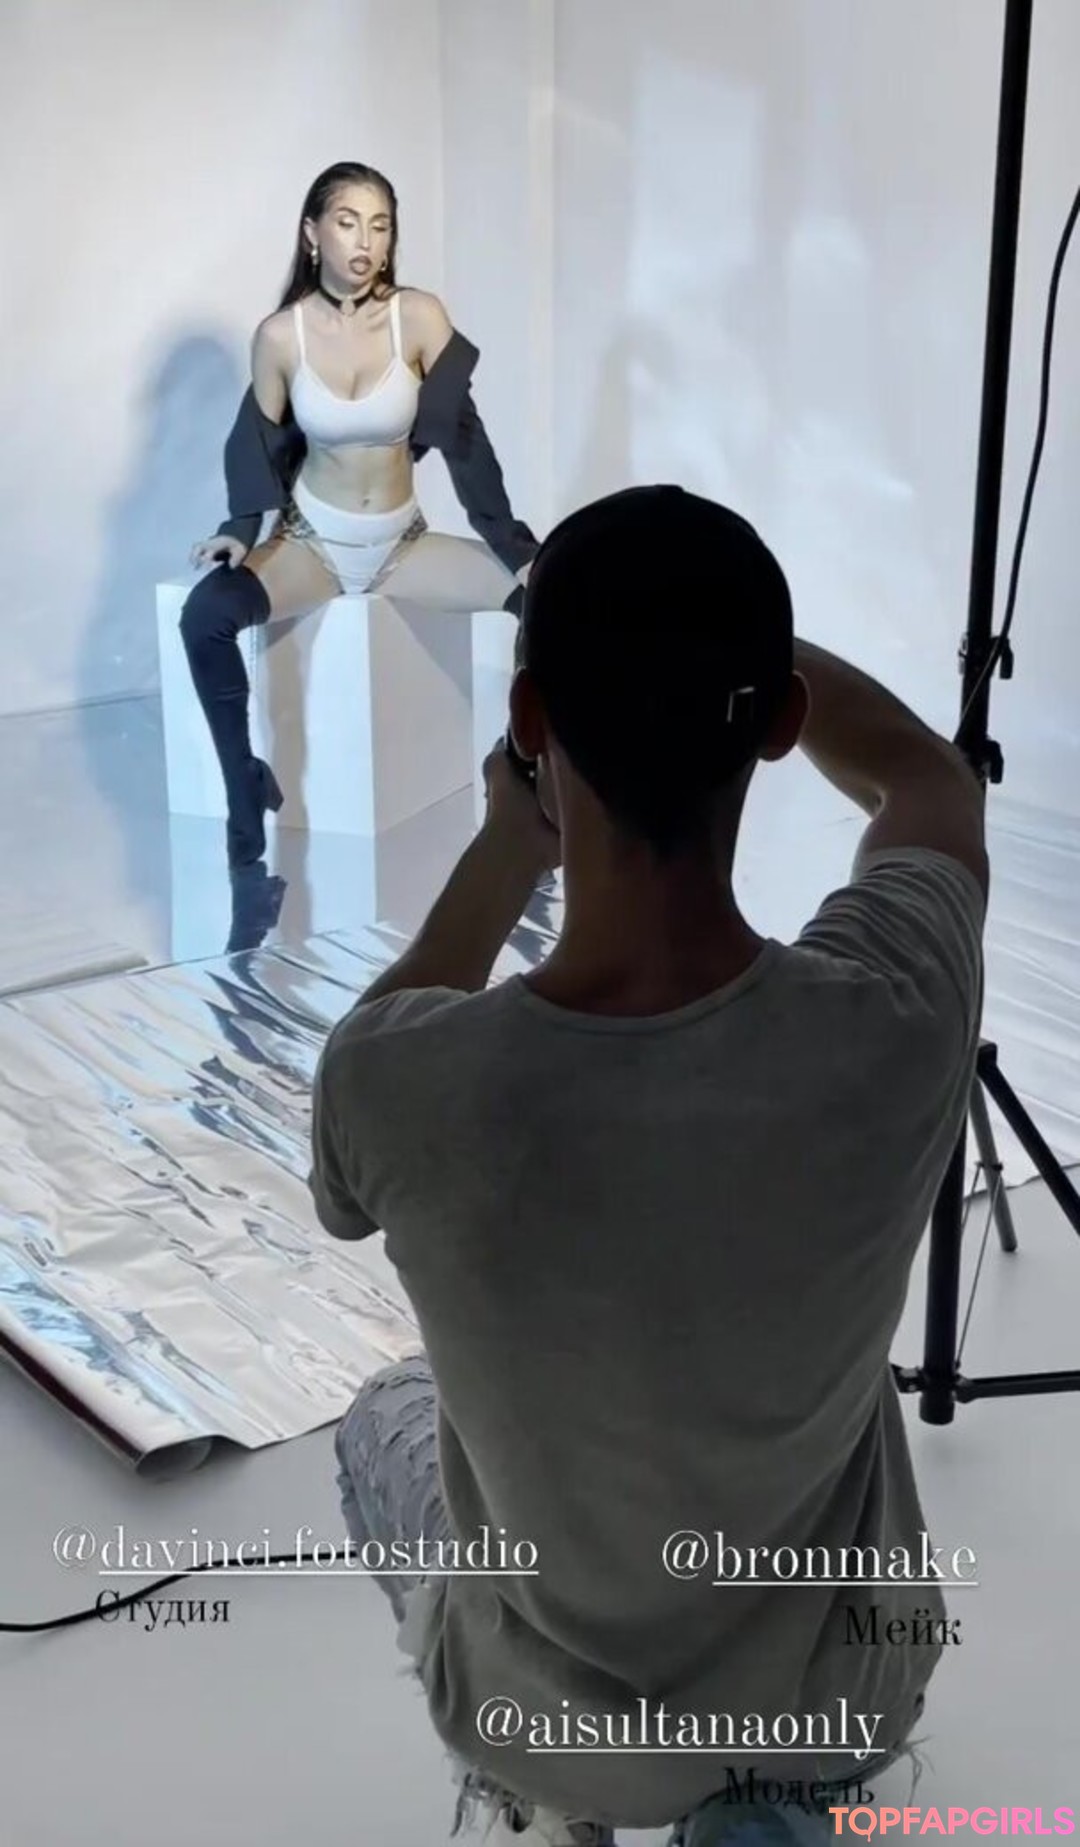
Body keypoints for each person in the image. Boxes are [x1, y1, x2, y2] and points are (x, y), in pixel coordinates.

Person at [309, 487, 987, 1845]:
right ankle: (769, 1796)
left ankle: (567, 1794)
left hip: (548, 1716)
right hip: (840, 1692)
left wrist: (511, 837)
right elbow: (929, 779)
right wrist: (732, 653)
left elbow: (346, 1172)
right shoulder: (899, 1014)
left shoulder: (403, 1084)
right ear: (778, 722)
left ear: (532, 720)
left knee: (385, 1412)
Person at [182, 161, 538, 867]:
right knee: (204, 617)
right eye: (348, 222)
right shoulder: (281, 336)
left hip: (402, 545)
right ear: (312, 233)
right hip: (312, 546)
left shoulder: (419, 318)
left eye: (380, 226)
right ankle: (244, 787)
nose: (365, 241)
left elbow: (465, 441)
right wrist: (240, 531)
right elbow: (257, 439)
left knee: (545, 599)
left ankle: (522, 781)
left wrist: (514, 545)